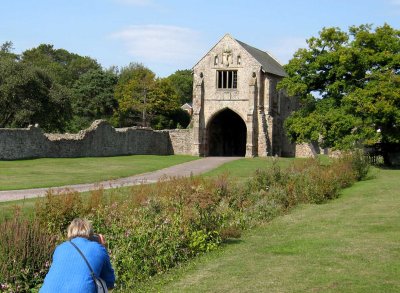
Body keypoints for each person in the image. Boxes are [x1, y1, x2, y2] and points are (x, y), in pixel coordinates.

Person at [40, 218, 115, 292]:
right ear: (90, 233)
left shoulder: (60, 248)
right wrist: (102, 246)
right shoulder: (98, 248)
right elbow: (109, 282)